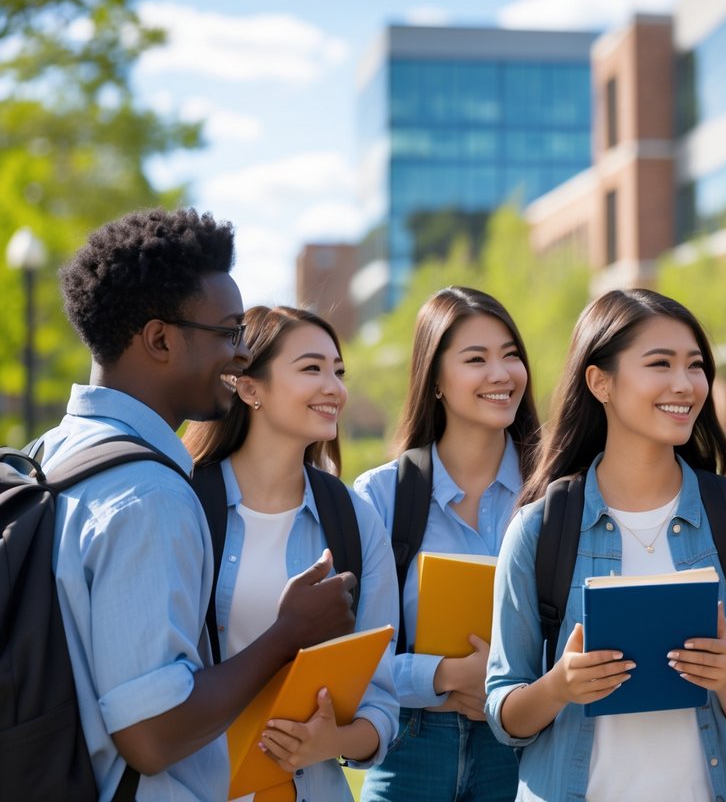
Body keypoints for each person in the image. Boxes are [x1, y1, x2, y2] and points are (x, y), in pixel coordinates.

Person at [40, 209, 357, 800]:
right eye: (228, 332)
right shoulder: (149, 495)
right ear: (160, 339)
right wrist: (288, 632)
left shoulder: (46, 456)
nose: (240, 355)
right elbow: (153, 735)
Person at [485, 288, 726, 801]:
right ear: (600, 381)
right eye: (660, 364)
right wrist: (559, 685)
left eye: (695, 366)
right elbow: (504, 714)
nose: (685, 384)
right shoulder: (538, 530)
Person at [182, 305, 399, 800]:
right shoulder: (184, 503)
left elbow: (381, 702)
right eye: (311, 369)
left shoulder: (354, 518)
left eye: (338, 372)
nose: (334, 388)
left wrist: (332, 741)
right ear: (250, 387)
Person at [354, 287, 539, 801]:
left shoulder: (557, 490)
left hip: (525, 751)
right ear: (435, 379)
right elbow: (356, 654)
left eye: (510, 355)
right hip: (409, 747)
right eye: (476, 358)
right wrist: (447, 676)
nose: (501, 374)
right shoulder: (380, 496)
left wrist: (511, 685)